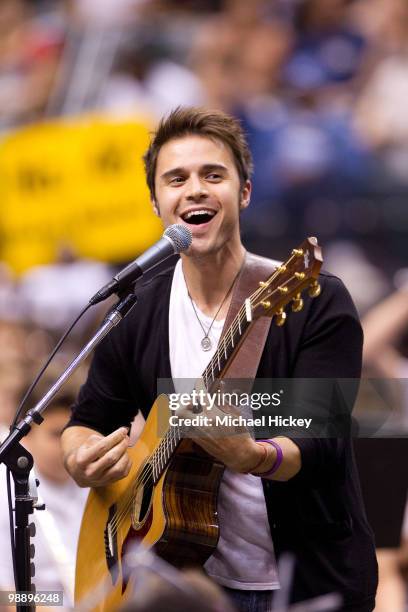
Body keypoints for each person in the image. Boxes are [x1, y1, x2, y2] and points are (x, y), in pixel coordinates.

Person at [61, 107, 377, 611]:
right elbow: (87, 421)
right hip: (185, 584)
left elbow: (324, 441)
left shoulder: (311, 299)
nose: (195, 189)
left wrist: (252, 456)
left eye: (214, 175)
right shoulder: (139, 307)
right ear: (156, 203)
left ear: (244, 192)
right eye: (176, 179)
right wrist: (81, 458)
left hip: (305, 578)